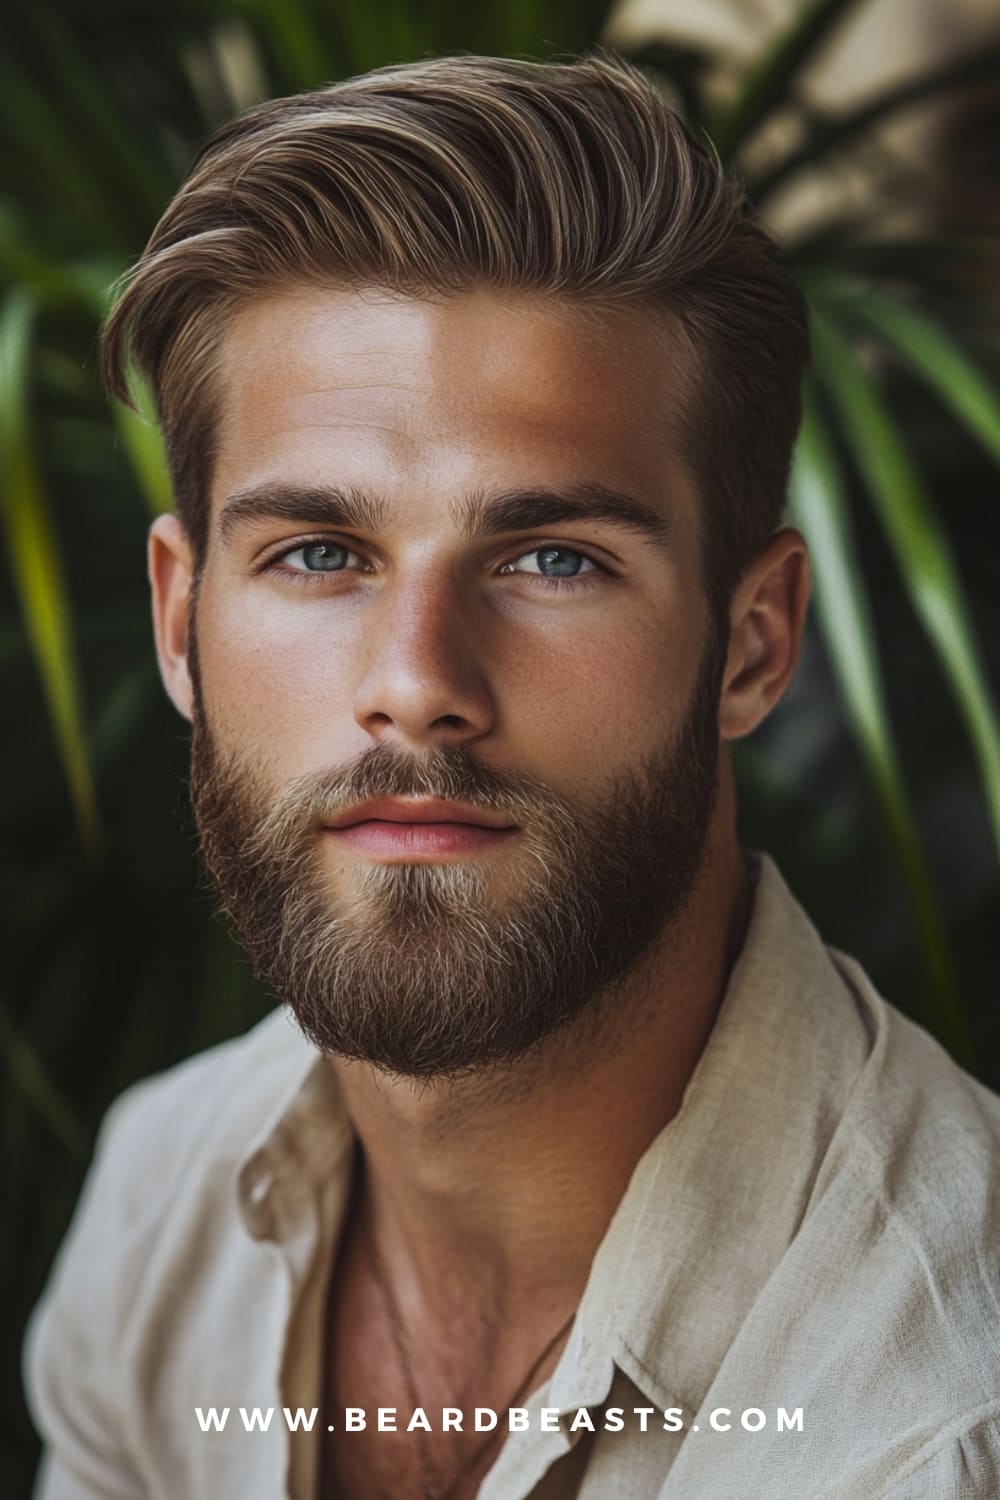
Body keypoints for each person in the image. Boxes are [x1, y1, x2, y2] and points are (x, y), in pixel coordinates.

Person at [23, 51, 1000, 1500]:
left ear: (752, 643)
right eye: (318, 555)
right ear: (182, 625)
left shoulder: (938, 1427)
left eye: (553, 559)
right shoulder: (164, 1197)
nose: (417, 677)